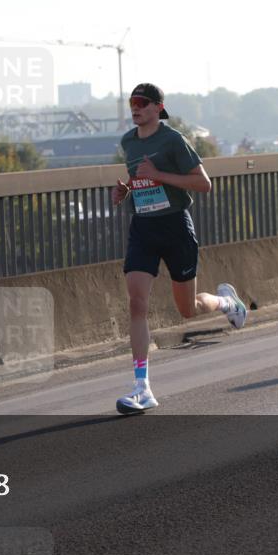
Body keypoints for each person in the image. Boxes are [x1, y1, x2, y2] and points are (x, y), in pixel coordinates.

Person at [111, 83, 247, 413]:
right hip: (143, 227)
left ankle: (227, 302)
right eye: (132, 102)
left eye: (142, 103)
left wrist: (160, 175)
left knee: (188, 309)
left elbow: (204, 184)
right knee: (136, 303)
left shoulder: (173, 140)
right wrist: (125, 191)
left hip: (175, 227)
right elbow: (139, 177)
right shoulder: (128, 141)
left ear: (159, 107)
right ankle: (141, 387)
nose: (136, 108)